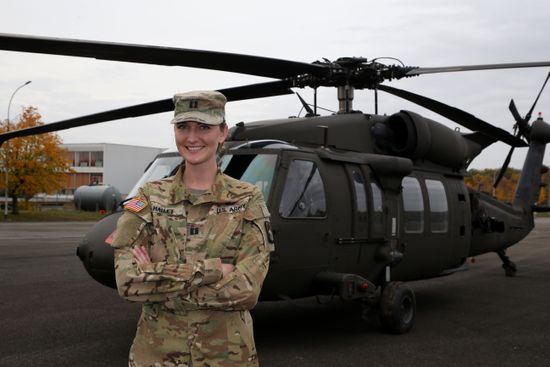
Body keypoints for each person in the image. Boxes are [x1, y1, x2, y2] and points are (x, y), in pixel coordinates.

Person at [110, 90, 274, 367]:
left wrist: (158, 279)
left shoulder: (247, 198)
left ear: (222, 132)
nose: (192, 137)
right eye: (183, 127)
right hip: (157, 356)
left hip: (227, 357)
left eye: (204, 127)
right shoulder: (148, 197)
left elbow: (246, 290)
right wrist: (214, 271)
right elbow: (128, 282)